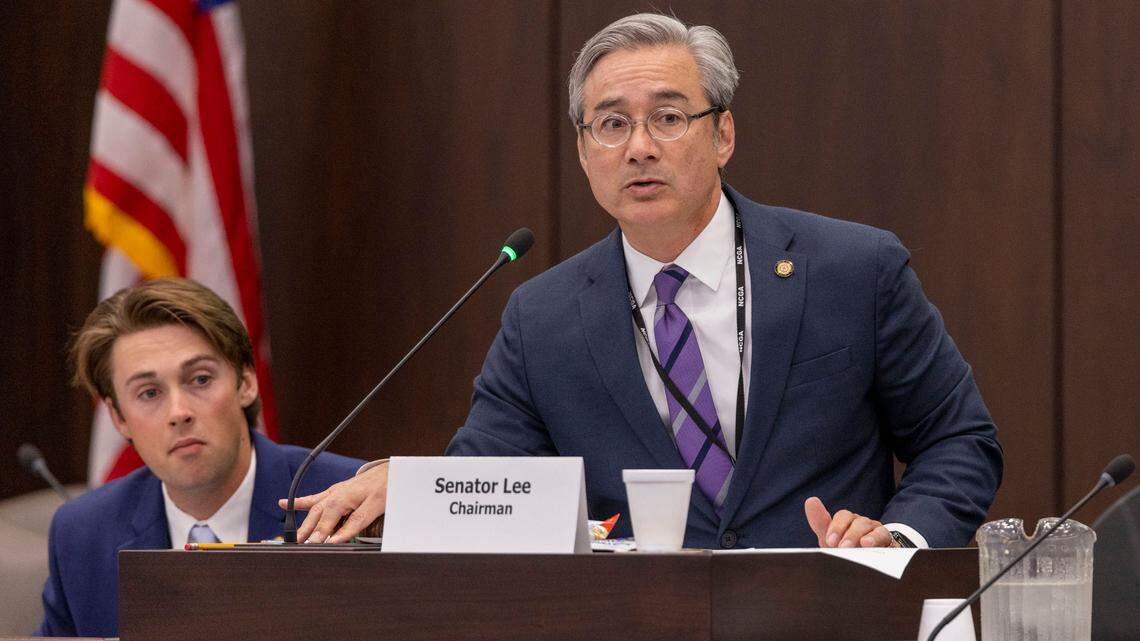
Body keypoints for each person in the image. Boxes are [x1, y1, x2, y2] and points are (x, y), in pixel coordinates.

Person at [288, 13, 1002, 550]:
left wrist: (898, 540)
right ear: (583, 150)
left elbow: (959, 438)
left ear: (722, 134)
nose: (638, 147)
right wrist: (406, 486)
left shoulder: (852, 269)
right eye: (610, 124)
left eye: (667, 117)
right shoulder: (543, 318)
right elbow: (488, 482)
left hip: (833, 614)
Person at [37, 278, 362, 637]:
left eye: (201, 379)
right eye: (149, 393)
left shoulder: (349, 497)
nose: (179, 411)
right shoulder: (83, 533)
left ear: (246, 382)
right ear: (119, 418)